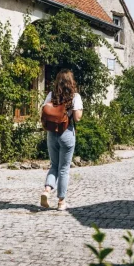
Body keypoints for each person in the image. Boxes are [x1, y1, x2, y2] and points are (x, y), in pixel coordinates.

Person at [40, 69, 83, 211]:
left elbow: (44, 111)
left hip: (52, 133)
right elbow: (77, 118)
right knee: (63, 169)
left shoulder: (51, 95)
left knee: (54, 165)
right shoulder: (74, 96)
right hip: (66, 133)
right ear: (71, 82)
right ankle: (61, 202)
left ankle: (47, 190)